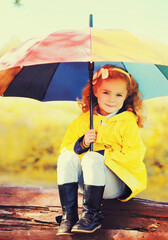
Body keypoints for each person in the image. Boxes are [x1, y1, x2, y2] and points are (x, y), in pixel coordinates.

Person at [56, 65, 147, 235]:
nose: (112, 99)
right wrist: (82, 143)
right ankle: (68, 217)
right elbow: (66, 149)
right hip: (87, 183)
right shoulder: (82, 121)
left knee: (92, 158)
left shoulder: (127, 123)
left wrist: (100, 154)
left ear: (127, 96)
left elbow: (133, 157)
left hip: (117, 182)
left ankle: (91, 216)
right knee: (66, 157)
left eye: (118, 94)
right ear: (95, 91)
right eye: (106, 92)